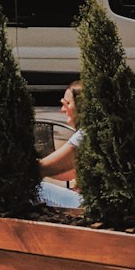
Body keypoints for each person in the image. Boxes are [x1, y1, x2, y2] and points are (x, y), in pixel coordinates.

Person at [37, 81, 83, 210]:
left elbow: (44, 168)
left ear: (81, 106)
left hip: (92, 206)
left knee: (39, 189)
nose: (63, 110)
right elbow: (70, 171)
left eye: (67, 104)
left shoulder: (85, 134)